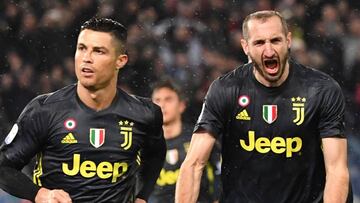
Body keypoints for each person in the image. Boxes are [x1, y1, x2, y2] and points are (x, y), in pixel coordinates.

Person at [175, 10, 352, 203]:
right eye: (259, 42)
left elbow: (336, 170)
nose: (269, 51)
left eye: (275, 40)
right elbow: (193, 165)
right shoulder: (225, 89)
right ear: (245, 47)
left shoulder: (321, 90)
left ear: (289, 40)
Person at [0, 17, 166, 203]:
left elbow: (155, 157)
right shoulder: (44, 110)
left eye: (98, 51)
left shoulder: (145, 114)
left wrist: (142, 196)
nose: (86, 58)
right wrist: (41, 194)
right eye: (82, 48)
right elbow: (4, 167)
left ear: (120, 61)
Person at [149, 79, 221, 203]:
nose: (162, 105)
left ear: (181, 105)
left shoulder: (199, 137)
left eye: (168, 99)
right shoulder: (143, 143)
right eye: (157, 100)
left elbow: (219, 174)